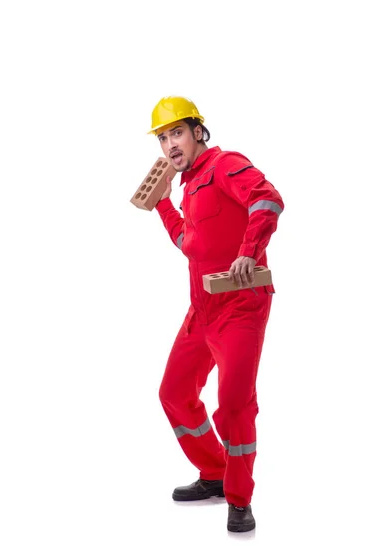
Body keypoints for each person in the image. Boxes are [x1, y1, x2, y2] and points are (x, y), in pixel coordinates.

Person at [149, 96, 284, 533]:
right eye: (163, 137)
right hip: (202, 310)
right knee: (173, 392)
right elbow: (191, 243)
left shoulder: (224, 165)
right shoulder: (188, 187)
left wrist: (249, 253)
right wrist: (164, 205)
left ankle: (240, 498)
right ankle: (215, 474)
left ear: (197, 132)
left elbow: (267, 199)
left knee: (234, 405)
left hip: (240, 306)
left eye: (177, 132)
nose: (170, 143)